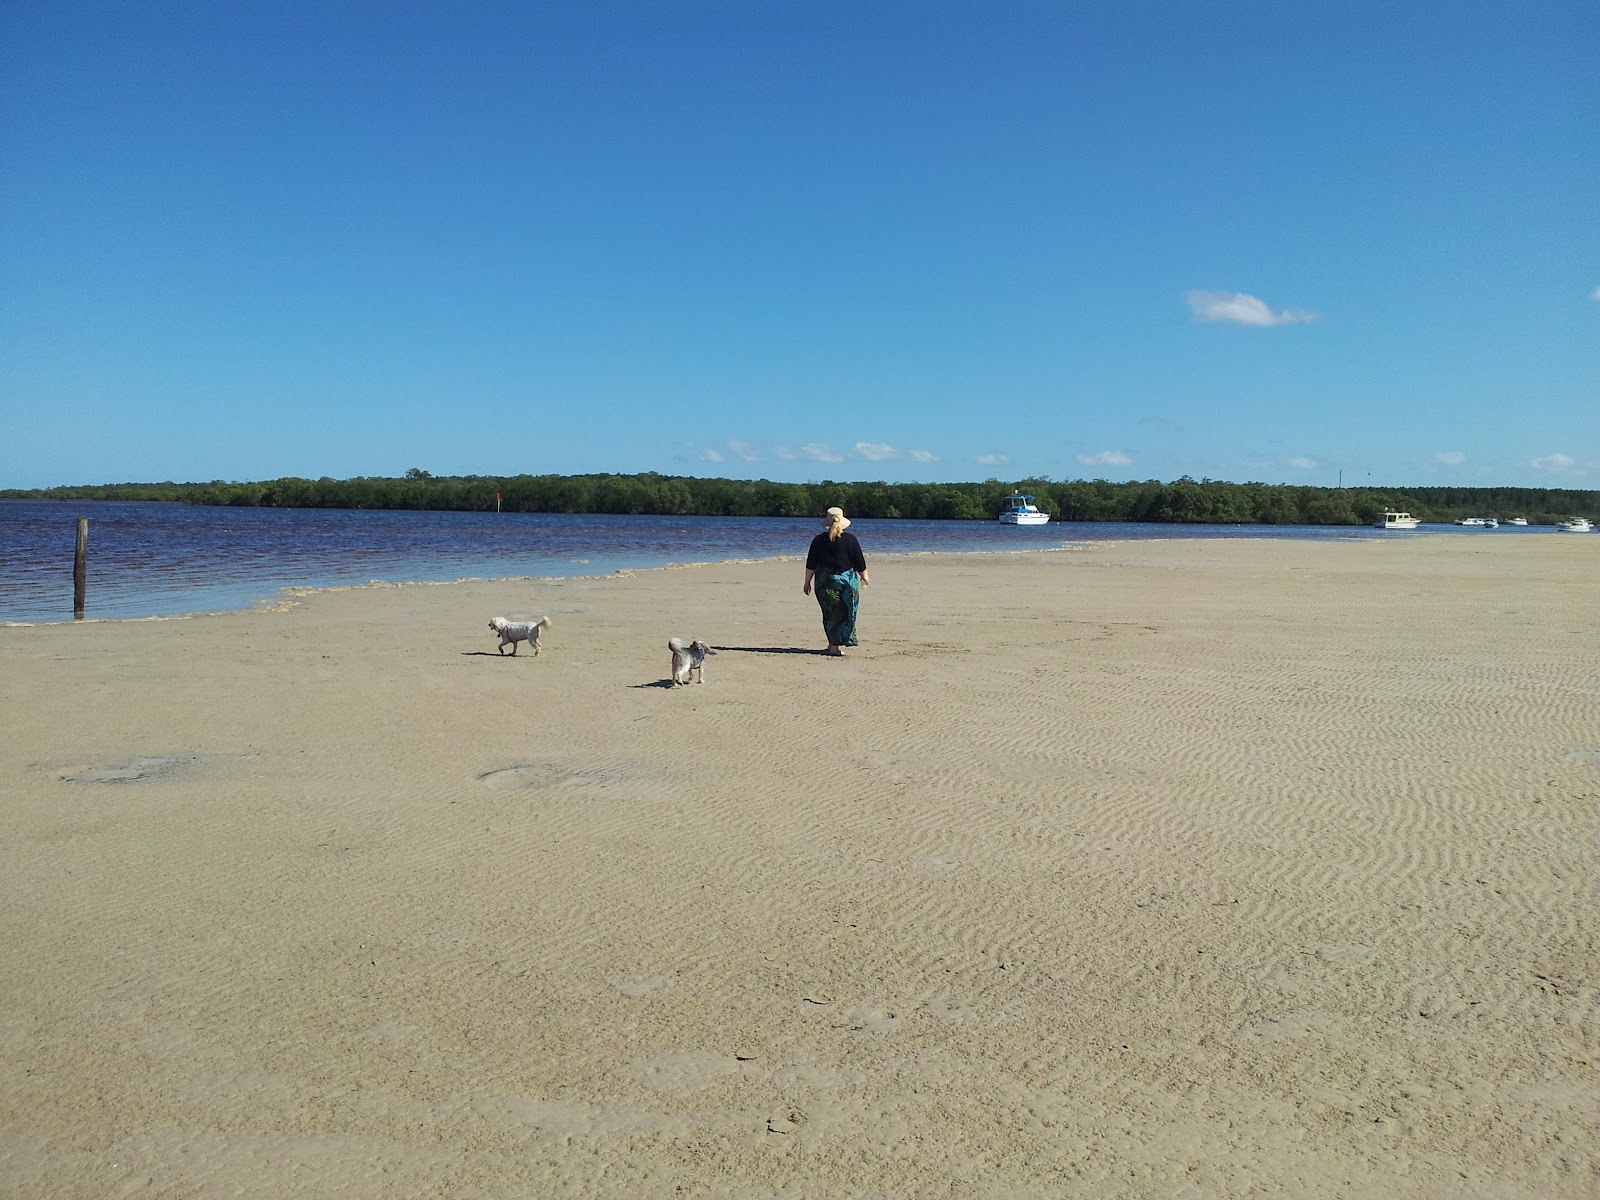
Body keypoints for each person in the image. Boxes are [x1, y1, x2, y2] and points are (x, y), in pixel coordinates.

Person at [802, 507, 869, 656]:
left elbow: (811, 563)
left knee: (831, 613)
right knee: (847, 611)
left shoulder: (818, 540)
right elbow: (859, 560)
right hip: (848, 581)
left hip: (825, 582)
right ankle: (840, 642)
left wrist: (807, 582)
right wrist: (864, 576)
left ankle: (833, 645)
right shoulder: (851, 539)